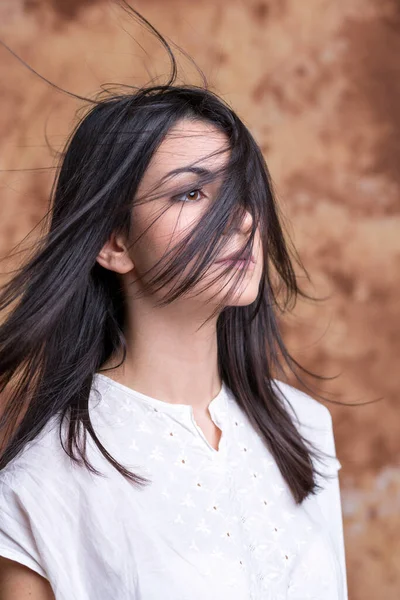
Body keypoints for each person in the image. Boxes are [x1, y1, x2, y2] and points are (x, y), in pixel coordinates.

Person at [0, 10, 347, 600]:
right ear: (113, 243)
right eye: (191, 192)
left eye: (241, 192)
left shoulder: (305, 428)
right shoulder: (41, 486)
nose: (239, 221)